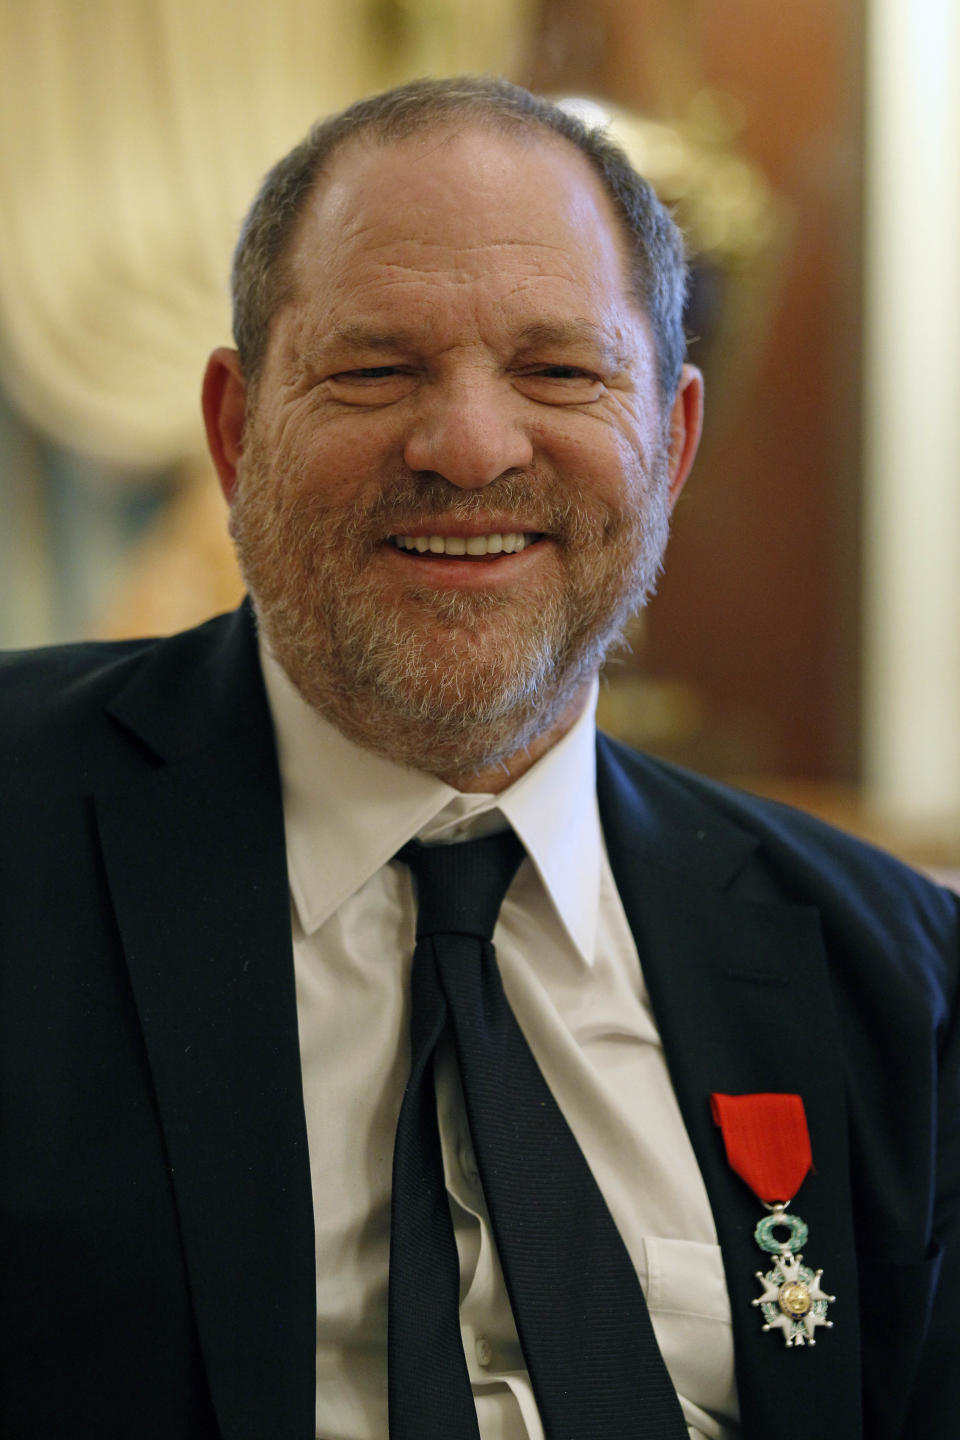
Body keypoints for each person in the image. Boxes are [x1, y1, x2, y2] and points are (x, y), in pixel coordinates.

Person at [0, 76, 956, 1440]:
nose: (466, 445)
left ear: (670, 445)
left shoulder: (897, 985)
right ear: (234, 431)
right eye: (376, 367)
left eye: (561, 372)